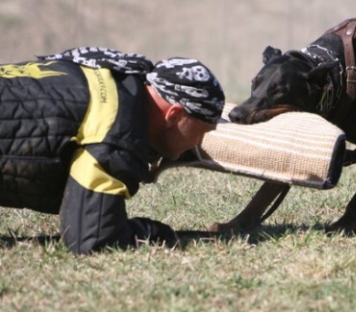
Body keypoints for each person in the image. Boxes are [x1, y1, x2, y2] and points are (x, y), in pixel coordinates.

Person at [0, 47, 225, 255]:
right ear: (174, 115)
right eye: (201, 131)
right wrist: (153, 232)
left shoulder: (104, 74)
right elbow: (93, 239)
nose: (198, 143)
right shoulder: (117, 127)